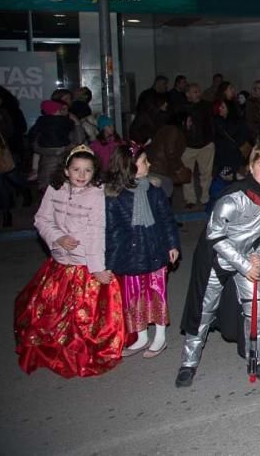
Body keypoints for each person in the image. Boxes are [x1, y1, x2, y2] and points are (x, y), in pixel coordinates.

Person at [176, 143, 260, 388]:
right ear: (251, 167)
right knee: (203, 311)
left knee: (256, 312)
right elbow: (215, 235)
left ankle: (255, 361)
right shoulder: (235, 196)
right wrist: (244, 263)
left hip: (248, 259)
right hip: (217, 259)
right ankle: (188, 363)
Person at [14, 145, 124, 377]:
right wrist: (58, 238)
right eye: (76, 169)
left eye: (87, 170)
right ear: (66, 170)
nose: (82, 175)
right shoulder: (55, 189)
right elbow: (41, 219)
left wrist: (97, 269)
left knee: (82, 316)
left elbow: (96, 232)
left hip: (84, 264)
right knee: (47, 313)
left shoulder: (96, 195)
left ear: (95, 172)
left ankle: (80, 351)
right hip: (59, 262)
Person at [104, 143, 180, 358]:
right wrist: (110, 262)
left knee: (156, 292)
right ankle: (141, 336)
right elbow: (113, 231)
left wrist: (172, 244)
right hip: (131, 254)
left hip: (156, 250)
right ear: (130, 166)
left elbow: (167, 220)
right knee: (134, 296)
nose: (149, 164)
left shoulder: (154, 191)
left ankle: (160, 337)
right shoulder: (115, 197)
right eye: (144, 161)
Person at [28, 99, 84, 191]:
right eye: (62, 109)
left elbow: (34, 143)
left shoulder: (42, 123)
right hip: (58, 165)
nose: (65, 112)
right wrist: (76, 123)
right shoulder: (65, 123)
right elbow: (78, 140)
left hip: (52, 165)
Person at [180, 83, 215, 207]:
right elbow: (174, 126)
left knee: (206, 173)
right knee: (187, 174)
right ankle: (190, 199)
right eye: (195, 91)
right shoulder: (181, 108)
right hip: (188, 146)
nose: (198, 93)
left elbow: (212, 124)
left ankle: (205, 197)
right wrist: (184, 125)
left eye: (199, 91)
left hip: (205, 144)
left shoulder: (206, 106)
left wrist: (211, 140)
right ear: (188, 94)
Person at [144, 110, 189, 198]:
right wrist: (179, 168)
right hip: (160, 169)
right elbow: (170, 152)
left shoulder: (166, 129)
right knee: (164, 198)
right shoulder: (173, 131)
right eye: (189, 120)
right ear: (183, 121)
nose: (191, 123)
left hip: (158, 168)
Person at [212, 99, 249, 183]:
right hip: (222, 159)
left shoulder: (239, 122)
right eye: (219, 107)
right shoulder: (218, 121)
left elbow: (243, 137)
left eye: (223, 107)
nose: (220, 109)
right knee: (222, 180)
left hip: (236, 157)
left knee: (236, 181)